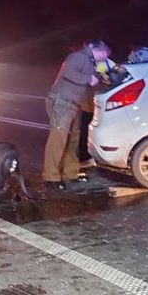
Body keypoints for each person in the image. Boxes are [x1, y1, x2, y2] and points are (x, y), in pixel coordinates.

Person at [43, 40, 109, 190]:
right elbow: (69, 73)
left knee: (72, 140)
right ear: (94, 48)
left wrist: (100, 79)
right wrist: (88, 79)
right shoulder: (79, 57)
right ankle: (51, 177)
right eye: (104, 53)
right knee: (58, 139)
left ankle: (70, 174)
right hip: (62, 102)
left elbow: (92, 80)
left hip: (74, 104)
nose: (104, 57)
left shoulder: (90, 62)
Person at [77, 52, 119, 169]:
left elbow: (117, 73)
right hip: (91, 103)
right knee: (86, 131)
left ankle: (91, 156)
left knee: (93, 130)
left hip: (100, 104)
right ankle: (85, 157)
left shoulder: (107, 62)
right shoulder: (90, 62)